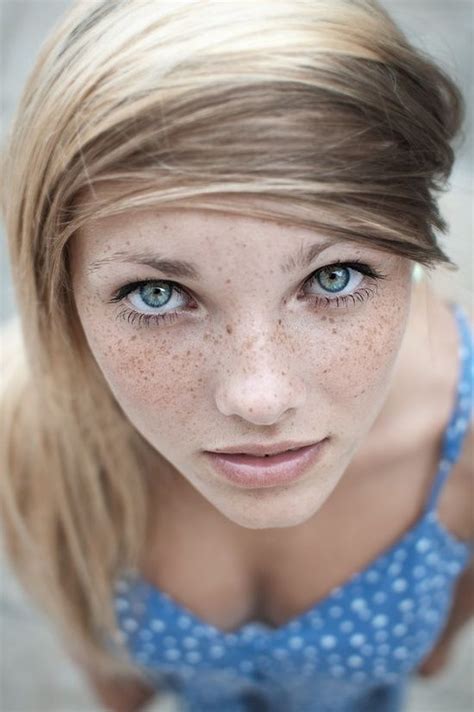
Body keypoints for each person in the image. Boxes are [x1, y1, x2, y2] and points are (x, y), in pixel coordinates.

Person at [0, 1, 472, 711]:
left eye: (332, 277)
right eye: (157, 293)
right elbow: (116, 689)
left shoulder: (464, 449)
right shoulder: (21, 431)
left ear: (409, 255)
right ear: (58, 291)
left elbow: (435, 657)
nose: (260, 397)